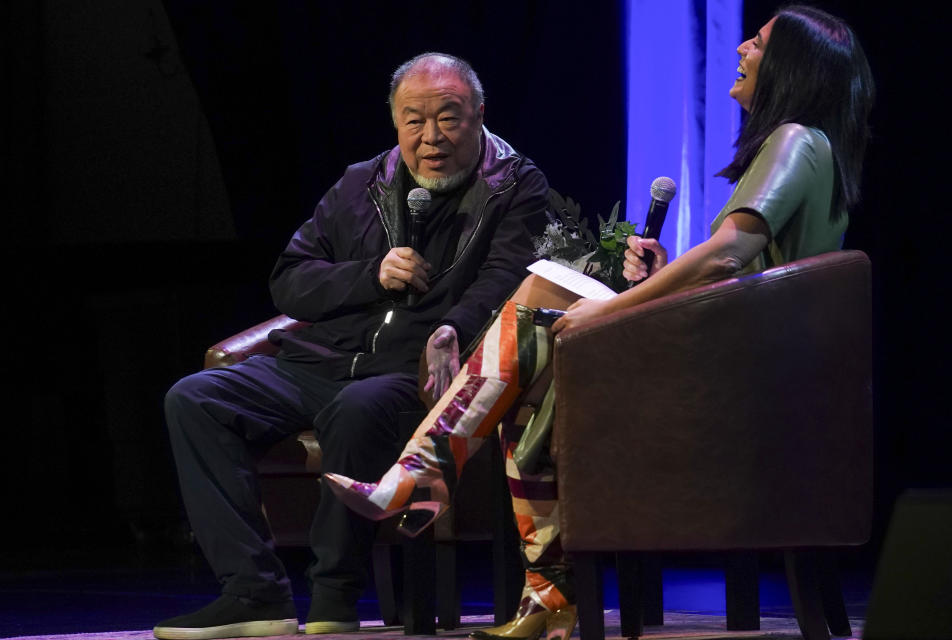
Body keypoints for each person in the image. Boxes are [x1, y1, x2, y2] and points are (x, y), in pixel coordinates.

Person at [325, 6, 874, 640]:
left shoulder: (795, 137)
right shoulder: (807, 144)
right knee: (531, 378)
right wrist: (661, 275)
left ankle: (427, 482)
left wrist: (611, 306)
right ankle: (543, 597)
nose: (742, 48)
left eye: (757, 42)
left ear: (792, 68)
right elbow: (737, 270)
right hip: (743, 361)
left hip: (737, 382)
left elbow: (728, 255)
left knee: (540, 298)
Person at [153, 52, 548, 640]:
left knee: (357, 407)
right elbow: (290, 277)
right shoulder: (361, 182)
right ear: (394, 122)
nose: (431, 137)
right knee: (195, 398)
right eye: (415, 121)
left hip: (414, 374)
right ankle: (253, 595)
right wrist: (369, 274)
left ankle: (334, 596)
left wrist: (453, 329)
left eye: (449, 118)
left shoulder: (515, 185)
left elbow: (507, 276)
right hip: (321, 362)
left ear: (479, 114)